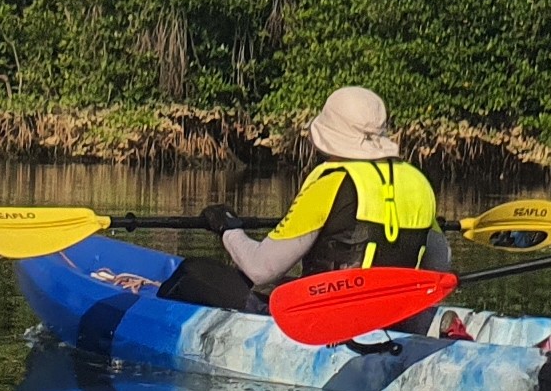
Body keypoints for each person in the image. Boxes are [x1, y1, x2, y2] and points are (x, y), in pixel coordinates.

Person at [163, 86, 454, 316]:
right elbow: (439, 263)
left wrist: (228, 229)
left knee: (192, 273)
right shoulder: (417, 181)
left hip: (324, 321)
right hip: (389, 316)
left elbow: (261, 269)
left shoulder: (332, 179)